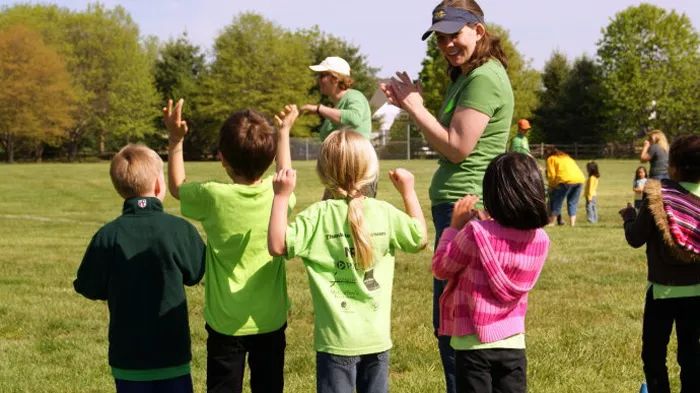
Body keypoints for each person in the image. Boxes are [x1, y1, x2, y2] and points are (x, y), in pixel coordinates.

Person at [381, 1, 514, 390]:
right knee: (452, 321)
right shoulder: (467, 76)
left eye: (455, 34)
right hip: (460, 208)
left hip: (468, 211)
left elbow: (457, 147)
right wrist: (415, 107)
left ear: (479, 31)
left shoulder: (484, 78)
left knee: (456, 325)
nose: (447, 44)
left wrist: (414, 106)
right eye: (440, 38)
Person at [268, 130, 427, 393]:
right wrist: (408, 192)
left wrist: (281, 196)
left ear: (323, 171)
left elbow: (277, 245)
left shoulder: (318, 216)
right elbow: (419, 238)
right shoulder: (384, 212)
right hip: (376, 340)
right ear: (370, 171)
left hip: (335, 341)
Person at [164, 98, 298, 393]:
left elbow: (176, 187)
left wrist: (175, 141)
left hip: (225, 321)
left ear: (222, 158)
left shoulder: (212, 196)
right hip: (270, 319)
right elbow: (284, 177)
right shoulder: (277, 196)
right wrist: (284, 132)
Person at [74, 144, 206, 393]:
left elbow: (88, 286)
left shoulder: (107, 235)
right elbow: (197, 271)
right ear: (159, 183)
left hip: (128, 357)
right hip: (172, 353)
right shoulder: (178, 229)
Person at [432, 152, 550, 393]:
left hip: (472, 344)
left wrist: (454, 227)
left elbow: (441, 268)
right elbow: (505, 242)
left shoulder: (475, 233)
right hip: (514, 341)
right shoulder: (540, 239)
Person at [619, 134, 700, 393]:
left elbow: (635, 238)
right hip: (697, 292)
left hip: (662, 292)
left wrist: (630, 216)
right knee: (691, 356)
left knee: (654, 356)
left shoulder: (658, 196)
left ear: (673, 165)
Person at [301, 56, 372, 141]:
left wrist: (319, 109)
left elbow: (355, 118)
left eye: (322, 76)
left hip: (356, 154)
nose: (318, 80)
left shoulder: (354, 96)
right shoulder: (336, 108)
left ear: (335, 78)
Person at [545, 146, 585, 226]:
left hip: (565, 180)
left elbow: (551, 175)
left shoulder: (551, 159)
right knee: (572, 202)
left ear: (547, 154)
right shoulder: (566, 157)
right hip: (579, 179)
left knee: (557, 201)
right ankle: (572, 224)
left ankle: (552, 222)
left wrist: (551, 187)